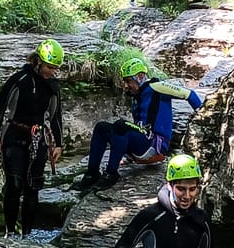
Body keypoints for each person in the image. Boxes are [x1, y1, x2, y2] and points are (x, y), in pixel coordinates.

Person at [75, 57, 203, 191]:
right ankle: (92, 174)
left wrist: (203, 117)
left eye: (128, 81)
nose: (126, 85)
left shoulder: (157, 87)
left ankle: (111, 174)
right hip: (141, 144)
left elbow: (190, 94)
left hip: (155, 146)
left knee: (121, 125)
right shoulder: (136, 97)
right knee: (101, 127)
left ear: (140, 77)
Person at [0, 38, 64, 238]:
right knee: (15, 183)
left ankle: (28, 235)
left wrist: (58, 144)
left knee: (33, 187)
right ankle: (10, 231)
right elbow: (0, 108)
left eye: (55, 68)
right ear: (38, 61)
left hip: (38, 138)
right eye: (49, 67)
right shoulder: (19, 80)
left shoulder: (52, 88)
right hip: (14, 134)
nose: (52, 71)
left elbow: (56, 117)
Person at [115, 154, 214, 248]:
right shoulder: (151, 216)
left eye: (192, 189)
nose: (187, 196)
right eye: (181, 189)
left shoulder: (202, 219)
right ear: (169, 185)